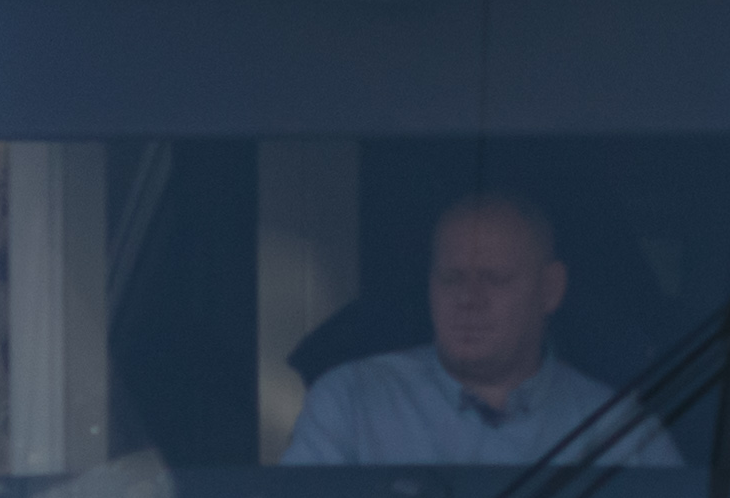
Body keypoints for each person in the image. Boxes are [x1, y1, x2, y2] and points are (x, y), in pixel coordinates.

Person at [284, 189, 673, 468]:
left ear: (550, 290)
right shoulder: (351, 402)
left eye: (495, 279)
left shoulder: (615, 427)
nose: (469, 299)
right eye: (452, 279)